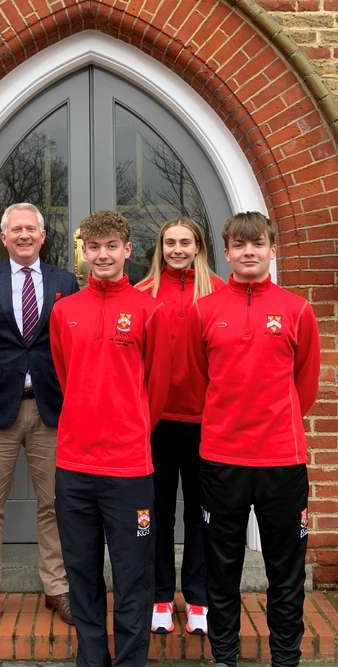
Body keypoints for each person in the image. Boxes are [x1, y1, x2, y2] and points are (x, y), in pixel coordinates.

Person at [188, 211, 320, 667]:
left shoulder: (296, 310)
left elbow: (304, 384)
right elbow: (201, 380)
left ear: (271, 249)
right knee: (221, 571)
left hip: (282, 462)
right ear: (225, 250)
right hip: (221, 460)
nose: (247, 253)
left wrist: (277, 425)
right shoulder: (205, 311)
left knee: (285, 573)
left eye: (257, 244)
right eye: (238, 245)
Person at [50, 210, 170, 667]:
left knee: (132, 576)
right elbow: (63, 374)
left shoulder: (149, 310)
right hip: (74, 463)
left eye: (111, 246)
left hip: (128, 467)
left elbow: (158, 387)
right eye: (92, 246)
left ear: (128, 249)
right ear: (84, 252)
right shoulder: (64, 312)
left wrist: (130, 427)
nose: (102, 255)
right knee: (80, 572)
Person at [0, 203, 80, 628]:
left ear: (43, 235)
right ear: (4, 237)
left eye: (31, 229)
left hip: (51, 408)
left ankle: (57, 587)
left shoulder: (64, 281)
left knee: (54, 503)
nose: (24, 235)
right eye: (16, 230)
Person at [136, 218, 225, 637]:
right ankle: (159, 596)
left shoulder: (218, 294)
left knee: (200, 515)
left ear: (198, 246)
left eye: (184, 242)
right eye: (169, 242)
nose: (176, 249)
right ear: (160, 247)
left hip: (205, 422)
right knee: (156, 512)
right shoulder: (141, 295)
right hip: (154, 422)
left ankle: (197, 599)